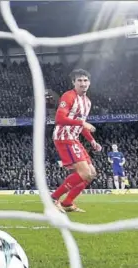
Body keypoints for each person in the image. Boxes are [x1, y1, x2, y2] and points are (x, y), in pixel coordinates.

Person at [50, 69, 101, 213]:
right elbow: (59, 119)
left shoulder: (87, 102)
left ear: (89, 83)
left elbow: (80, 123)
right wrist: (83, 124)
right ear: (74, 82)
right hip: (64, 137)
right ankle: (53, 198)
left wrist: (92, 141)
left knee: (91, 174)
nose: (83, 83)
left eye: (85, 80)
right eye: (79, 80)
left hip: (74, 139)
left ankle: (67, 203)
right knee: (85, 173)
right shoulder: (69, 96)